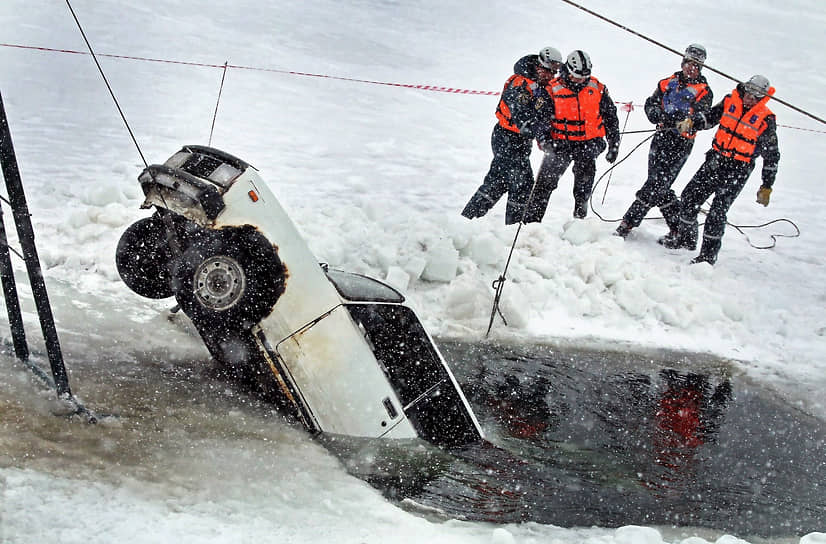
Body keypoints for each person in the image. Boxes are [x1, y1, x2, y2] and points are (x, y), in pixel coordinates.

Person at [660, 75, 780, 264]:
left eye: (755, 95)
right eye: (748, 92)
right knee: (689, 198)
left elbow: (772, 155)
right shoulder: (729, 101)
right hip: (715, 160)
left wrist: (767, 185)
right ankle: (686, 240)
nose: (749, 98)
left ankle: (707, 258)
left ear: (762, 97)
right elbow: (709, 118)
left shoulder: (766, 119)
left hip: (738, 169)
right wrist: (692, 123)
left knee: (717, 212)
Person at [615, 44, 713, 238]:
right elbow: (651, 103)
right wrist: (656, 114)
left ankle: (627, 223)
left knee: (656, 185)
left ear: (700, 67)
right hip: (661, 138)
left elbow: (703, 116)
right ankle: (680, 229)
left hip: (681, 143)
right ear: (683, 62)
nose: (691, 68)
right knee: (658, 185)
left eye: (696, 65)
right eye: (688, 63)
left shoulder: (704, 91)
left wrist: (688, 122)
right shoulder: (667, 82)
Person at [461, 47, 563, 225]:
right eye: (549, 71)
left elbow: (546, 117)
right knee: (523, 183)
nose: (552, 76)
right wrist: (536, 131)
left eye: (554, 72)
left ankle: (466, 221)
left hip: (522, 142)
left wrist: (547, 138)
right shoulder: (520, 84)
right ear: (540, 66)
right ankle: (515, 227)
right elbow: (522, 119)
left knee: (498, 182)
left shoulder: (545, 89)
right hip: (506, 138)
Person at [531, 50, 620, 220]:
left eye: (584, 76)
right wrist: (545, 141)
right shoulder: (552, 89)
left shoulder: (597, 88)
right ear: (568, 70)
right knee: (544, 185)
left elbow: (610, 118)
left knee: (584, 185)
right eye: (577, 76)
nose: (581, 80)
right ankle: (531, 221)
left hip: (588, 145)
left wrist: (614, 144)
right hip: (560, 145)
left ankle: (580, 220)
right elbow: (541, 120)